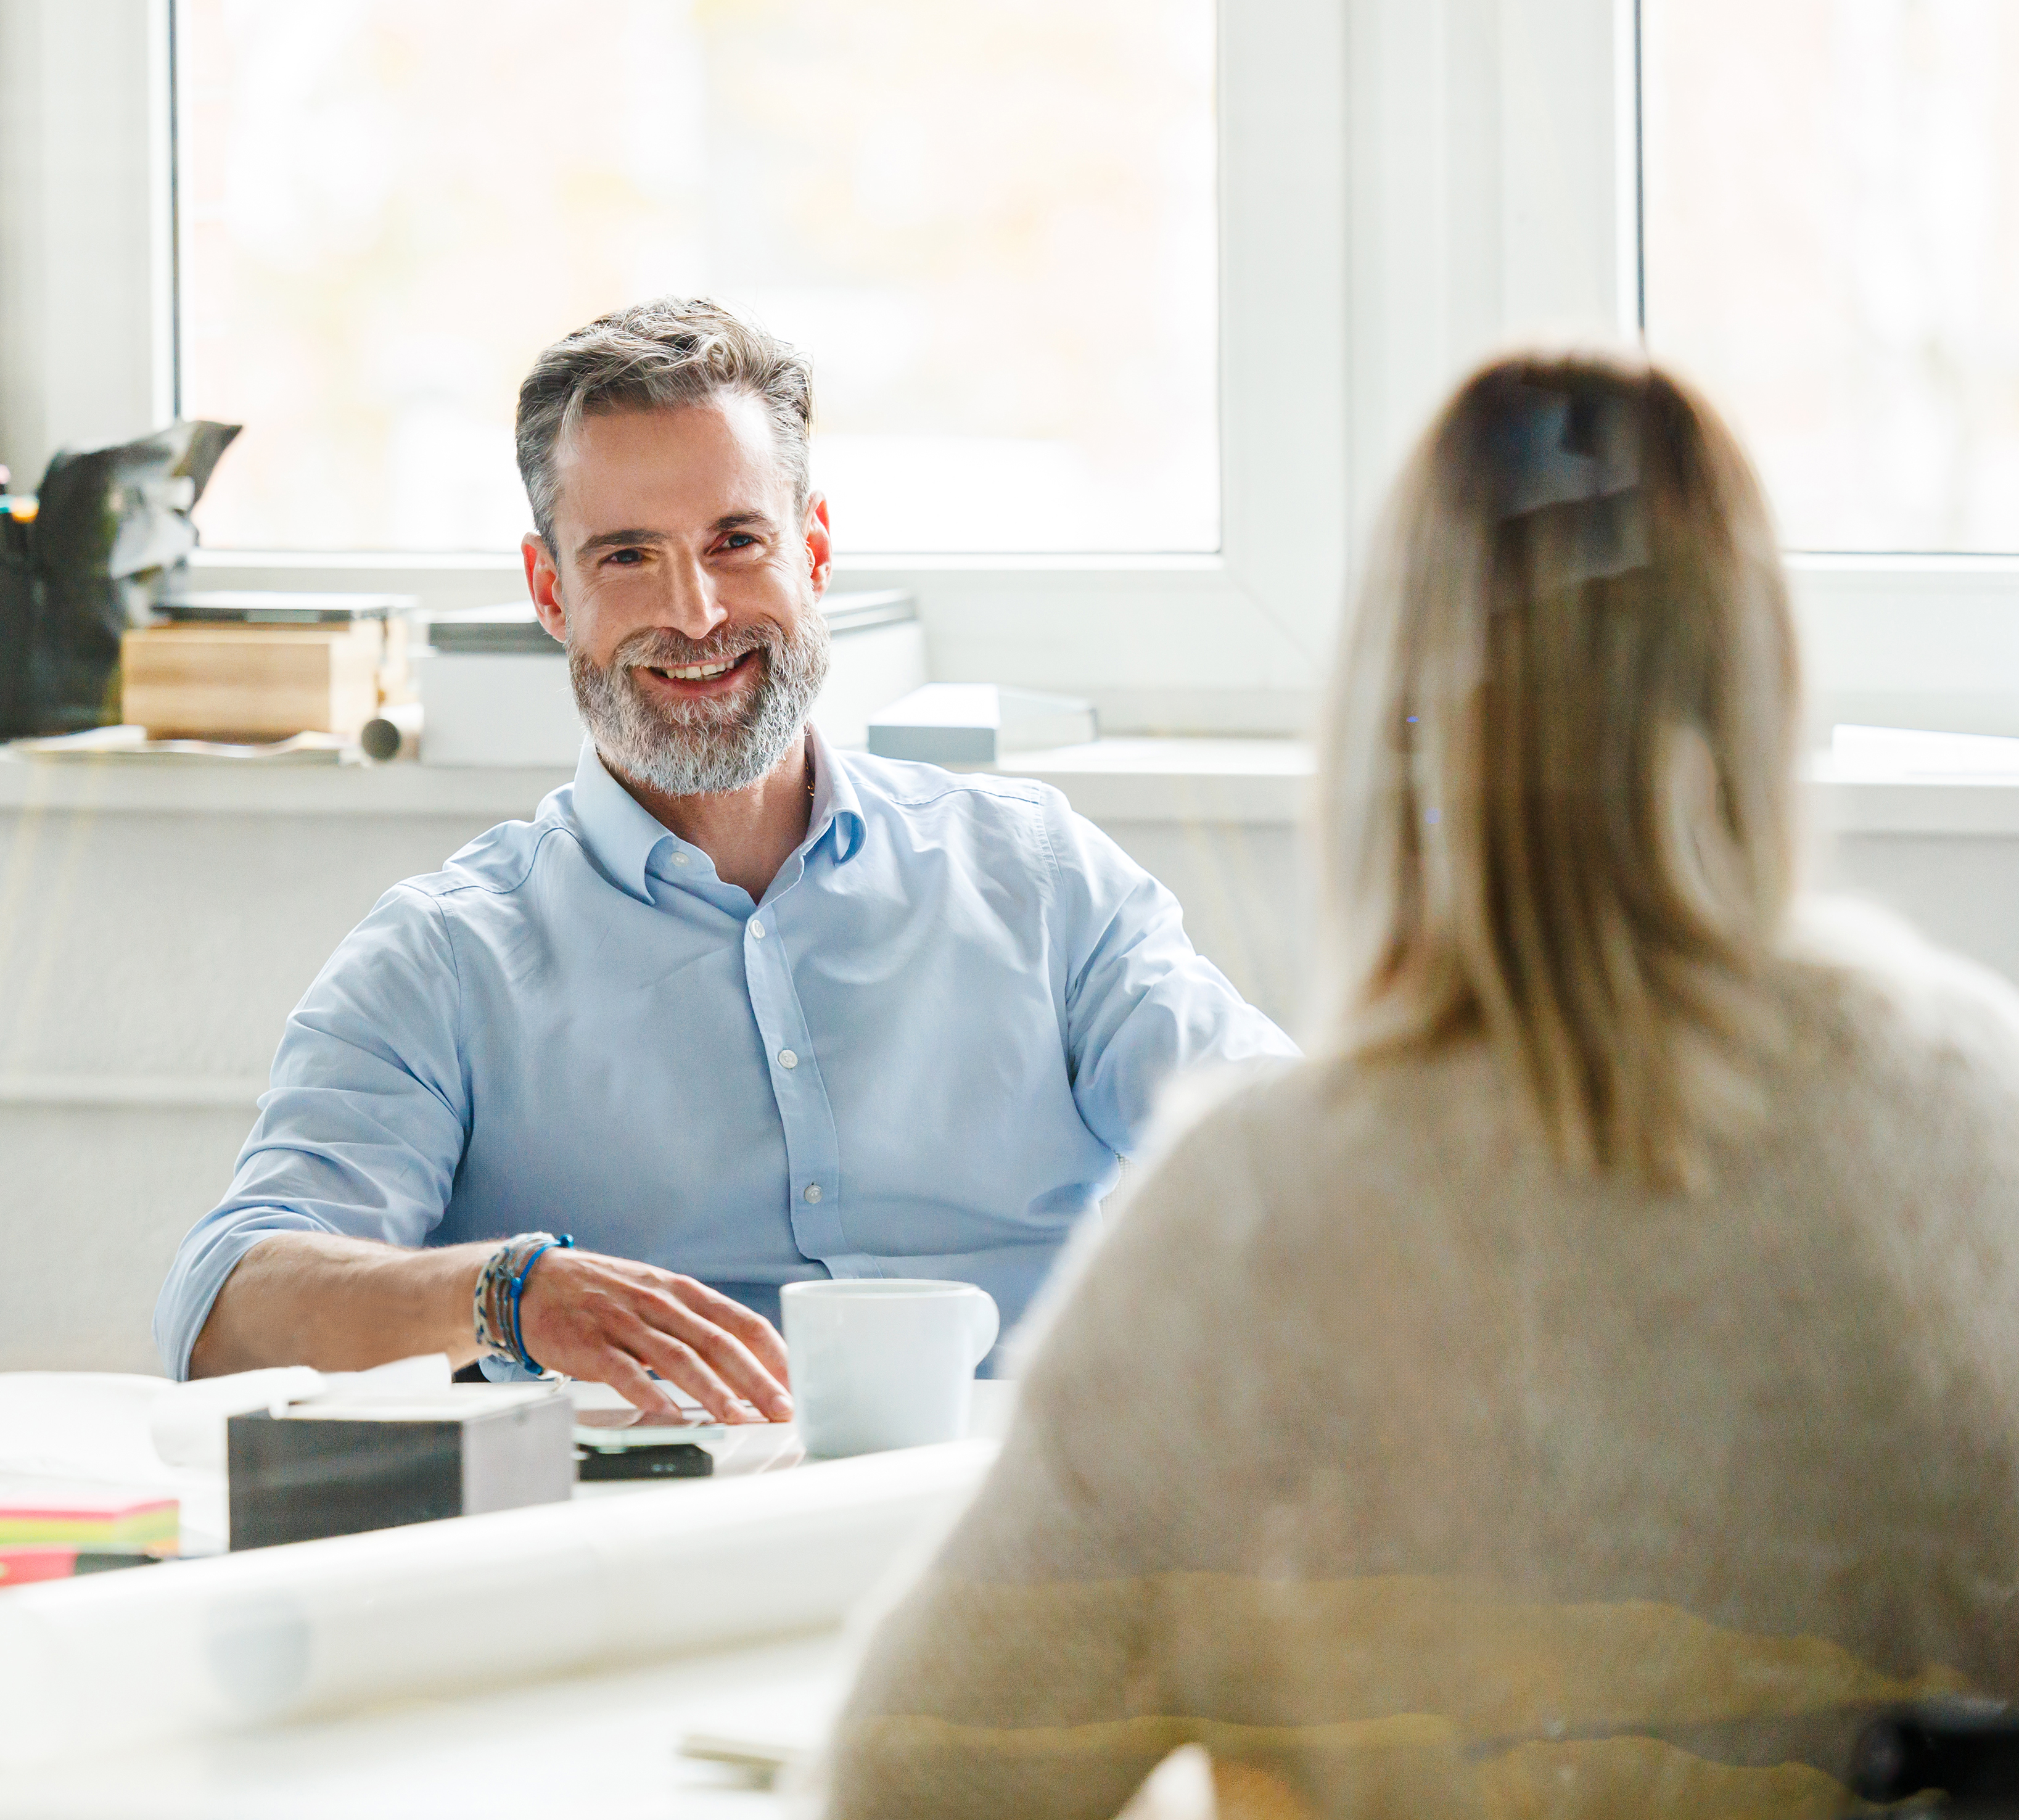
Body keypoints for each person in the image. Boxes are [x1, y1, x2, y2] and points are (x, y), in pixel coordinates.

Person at [816, 354, 2019, 1820]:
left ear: (1386, 719)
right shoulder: (1965, 1136)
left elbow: (897, 1814)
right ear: (1761, 689)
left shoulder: (1243, 1217)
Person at [158, 300, 1291, 1417]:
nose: (695, 613)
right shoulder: (446, 958)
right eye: (628, 557)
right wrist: (506, 1293)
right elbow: (223, 1317)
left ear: (816, 549)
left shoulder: (1039, 882)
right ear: (552, 591)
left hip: (1026, 1530)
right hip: (648, 1560)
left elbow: (1297, 1153)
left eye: (736, 542)